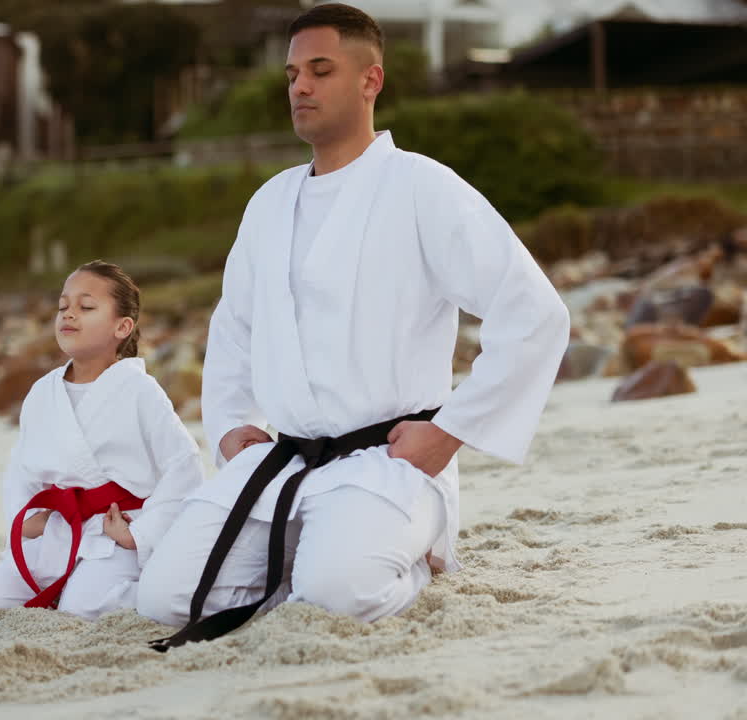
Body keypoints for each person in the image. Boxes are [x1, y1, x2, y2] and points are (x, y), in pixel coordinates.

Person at [137, 3, 570, 649]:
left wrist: (449, 433)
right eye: (291, 75)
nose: (300, 87)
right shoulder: (271, 202)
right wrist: (230, 428)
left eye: (320, 70)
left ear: (371, 81)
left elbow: (533, 311)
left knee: (340, 597)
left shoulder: (422, 187)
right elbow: (234, 329)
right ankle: (317, 553)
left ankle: (409, 556)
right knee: (167, 597)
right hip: (284, 462)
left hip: (388, 462)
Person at [0, 260, 205, 619]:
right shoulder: (42, 392)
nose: (69, 315)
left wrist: (138, 535)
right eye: (63, 306)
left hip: (113, 532)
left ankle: (167, 586)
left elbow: (183, 464)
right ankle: (70, 582)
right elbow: (22, 466)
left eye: (87, 307)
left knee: (85, 607)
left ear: (122, 327)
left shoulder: (140, 390)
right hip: (57, 527)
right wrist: (28, 516)